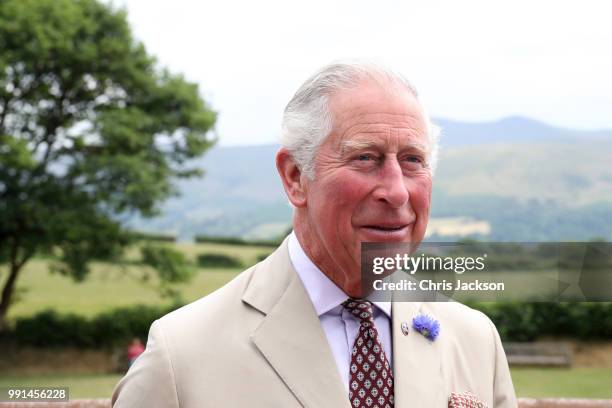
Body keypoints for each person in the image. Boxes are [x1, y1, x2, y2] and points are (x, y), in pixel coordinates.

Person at [112, 61, 517, 407]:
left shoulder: (475, 339)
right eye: (365, 158)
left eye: (413, 160)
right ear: (295, 178)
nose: (396, 191)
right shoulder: (180, 354)